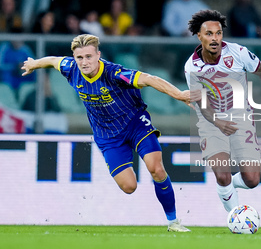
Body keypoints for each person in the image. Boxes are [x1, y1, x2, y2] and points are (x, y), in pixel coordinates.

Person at [21, 34, 193, 232]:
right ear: (74, 58)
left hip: (134, 123)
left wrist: (179, 95)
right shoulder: (70, 68)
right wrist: (34, 63)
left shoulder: (114, 73)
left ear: (98, 55)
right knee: (129, 186)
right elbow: (52, 60)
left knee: (156, 168)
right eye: (79, 58)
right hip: (107, 135)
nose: (84, 62)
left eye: (89, 57)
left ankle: (173, 222)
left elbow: (149, 79)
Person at [185, 10, 261, 214]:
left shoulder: (238, 52)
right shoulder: (192, 67)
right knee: (222, 173)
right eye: (209, 34)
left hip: (241, 118)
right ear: (199, 36)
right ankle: (234, 216)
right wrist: (218, 122)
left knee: (252, 180)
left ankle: (226, 188)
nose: (215, 38)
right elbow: (202, 104)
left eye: (218, 33)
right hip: (211, 122)